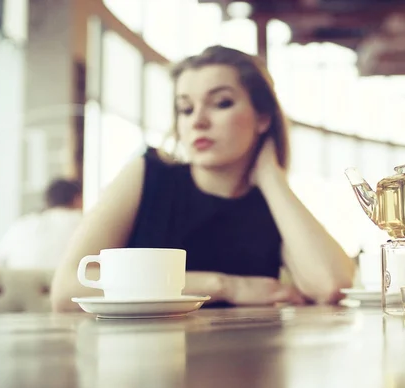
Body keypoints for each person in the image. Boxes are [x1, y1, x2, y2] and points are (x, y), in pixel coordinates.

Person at [51, 46, 354, 311]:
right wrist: (223, 285)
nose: (198, 121)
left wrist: (272, 178)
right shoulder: (147, 174)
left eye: (221, 103)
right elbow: (66, 290)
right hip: (146, 362)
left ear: (263, 118)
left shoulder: (271, 203)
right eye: (185, 108)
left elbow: (331, 285)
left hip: (250, 366)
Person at [0, 178, 83, 269]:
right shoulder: (82, 222)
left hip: (21, 285)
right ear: (76, 199)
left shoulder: (21, 225)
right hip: (66, 285)